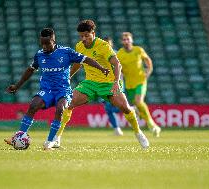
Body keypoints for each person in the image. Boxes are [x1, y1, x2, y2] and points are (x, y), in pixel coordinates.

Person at [4, 28, 109, 150]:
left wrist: (101, 68)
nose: (44, 47)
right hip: (47, 90)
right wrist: (17, 86)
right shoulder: (39, 55)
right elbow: (30, 70)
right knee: (33, 105)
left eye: (47, 43)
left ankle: (50, 141)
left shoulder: (66, 52)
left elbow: (86, 59)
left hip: (63, 90)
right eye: (42, 43)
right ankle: (18, 136)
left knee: (60, 108)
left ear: (53, 41)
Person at [53, 20, 149, 149]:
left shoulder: (103, 45)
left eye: (86, 35)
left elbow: (117, 64)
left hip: (108, 83)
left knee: (125, 108)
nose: (84, 38)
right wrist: (67, 77)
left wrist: (116, 82)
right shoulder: (79, 46)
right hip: (90, 83)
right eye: (81, 36)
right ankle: (57, 138)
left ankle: (138, 132)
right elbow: (77, 64)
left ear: (93, 33)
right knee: (68, 104)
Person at [117, 32, 161, 137]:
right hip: (129, 84)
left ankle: (151, 123)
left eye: (128, 39)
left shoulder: (138, 50)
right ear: (121, 41)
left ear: (132, 40)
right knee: (137, 106)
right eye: (124, 39)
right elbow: (118, 68)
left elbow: (147, 60)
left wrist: (148, 71)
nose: (126, 41)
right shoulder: (119, 54)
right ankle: (154, 126)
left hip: (141, 81)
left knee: (138, 101)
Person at [102, 37, 123, 136]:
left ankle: (131, 108)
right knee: (107, 108)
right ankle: (117, 129)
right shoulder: (100, 54)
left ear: (111, 44)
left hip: (116, 83)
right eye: (105, 43)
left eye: (108, 43)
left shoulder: (117, 54)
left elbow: (121, 67)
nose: (107, 45)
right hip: (103, 84)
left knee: (117, 106)